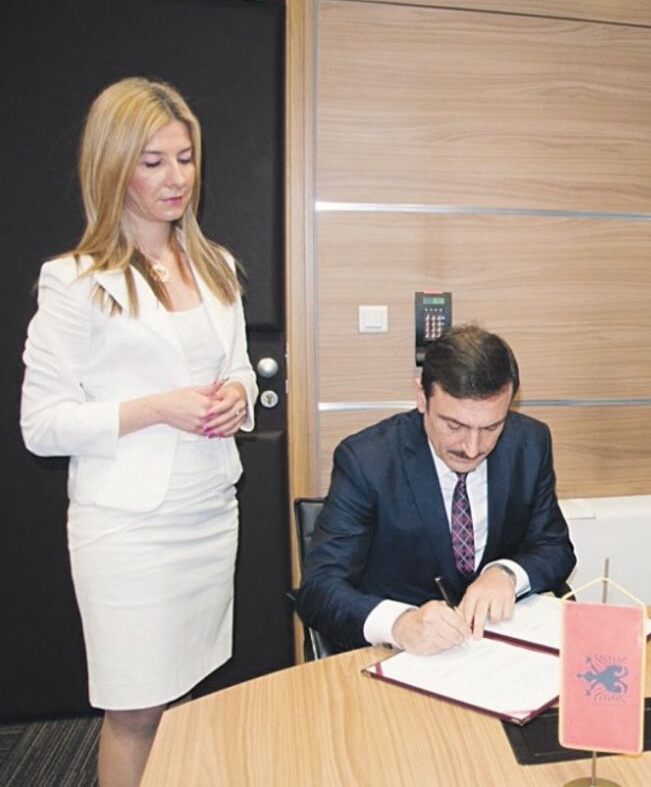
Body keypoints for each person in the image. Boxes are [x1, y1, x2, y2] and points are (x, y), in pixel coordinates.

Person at [20, 78, 257, 787]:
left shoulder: (216, 266)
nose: (176, 178)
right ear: (114, 165)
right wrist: (157, 408)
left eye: (185, 158)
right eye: (153, 162)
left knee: (186, 700)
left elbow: (238, 367)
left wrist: (238, 396)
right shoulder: (74, 280)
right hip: (127, 529)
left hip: (208, 513)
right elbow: (41, 426)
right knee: (134, 711)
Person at [296, 324, 576, 655]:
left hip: (495, 649)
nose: (472, 448)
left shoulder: (529, 444)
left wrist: (506, 574)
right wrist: (399, 623)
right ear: (421, 397)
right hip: (400, 653)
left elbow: (554, 547)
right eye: (454, 425)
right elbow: (319, 588)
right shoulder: (368, 460)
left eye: (491, 427)